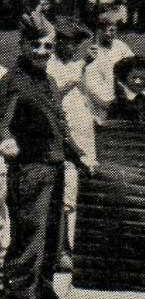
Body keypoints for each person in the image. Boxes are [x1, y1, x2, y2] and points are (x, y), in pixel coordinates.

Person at [1, 13, 93, 299]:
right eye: (35, 45)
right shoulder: (14, 82)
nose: (42, 51)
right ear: (22, 45)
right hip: (29, 172)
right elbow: (2, 122)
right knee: (27, 248)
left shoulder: (49, 81)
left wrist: (78, 154)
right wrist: (5, 141)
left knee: (52, 247)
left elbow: (60, 126)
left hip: (53, 169)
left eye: (48, 46)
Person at [47, 18, 96, 274]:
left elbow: (82, 97)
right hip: (64, 139)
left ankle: (76, 249)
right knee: (66, 194)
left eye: (73, 43)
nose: (68, 47)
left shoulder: (77, 65)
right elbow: (54, 96)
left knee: (78, 192)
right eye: (64, 42)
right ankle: (61, 251)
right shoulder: (50, 65)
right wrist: (78, 72)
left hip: (84, 135)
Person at [82, 10, 134, 123]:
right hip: (101, 102)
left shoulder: (121, 47)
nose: (109, 33)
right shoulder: (93, 51)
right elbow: (90, 85)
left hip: (121, 99)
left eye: (112, 30)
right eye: (105, 30)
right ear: (99, 30)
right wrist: (104, 104)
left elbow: (133, 67)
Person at [105, 56, 145, 123]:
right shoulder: (118, 103)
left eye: (142, 78)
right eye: (134, 78)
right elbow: (111, 126)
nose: (138, 82)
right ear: (126, 77)